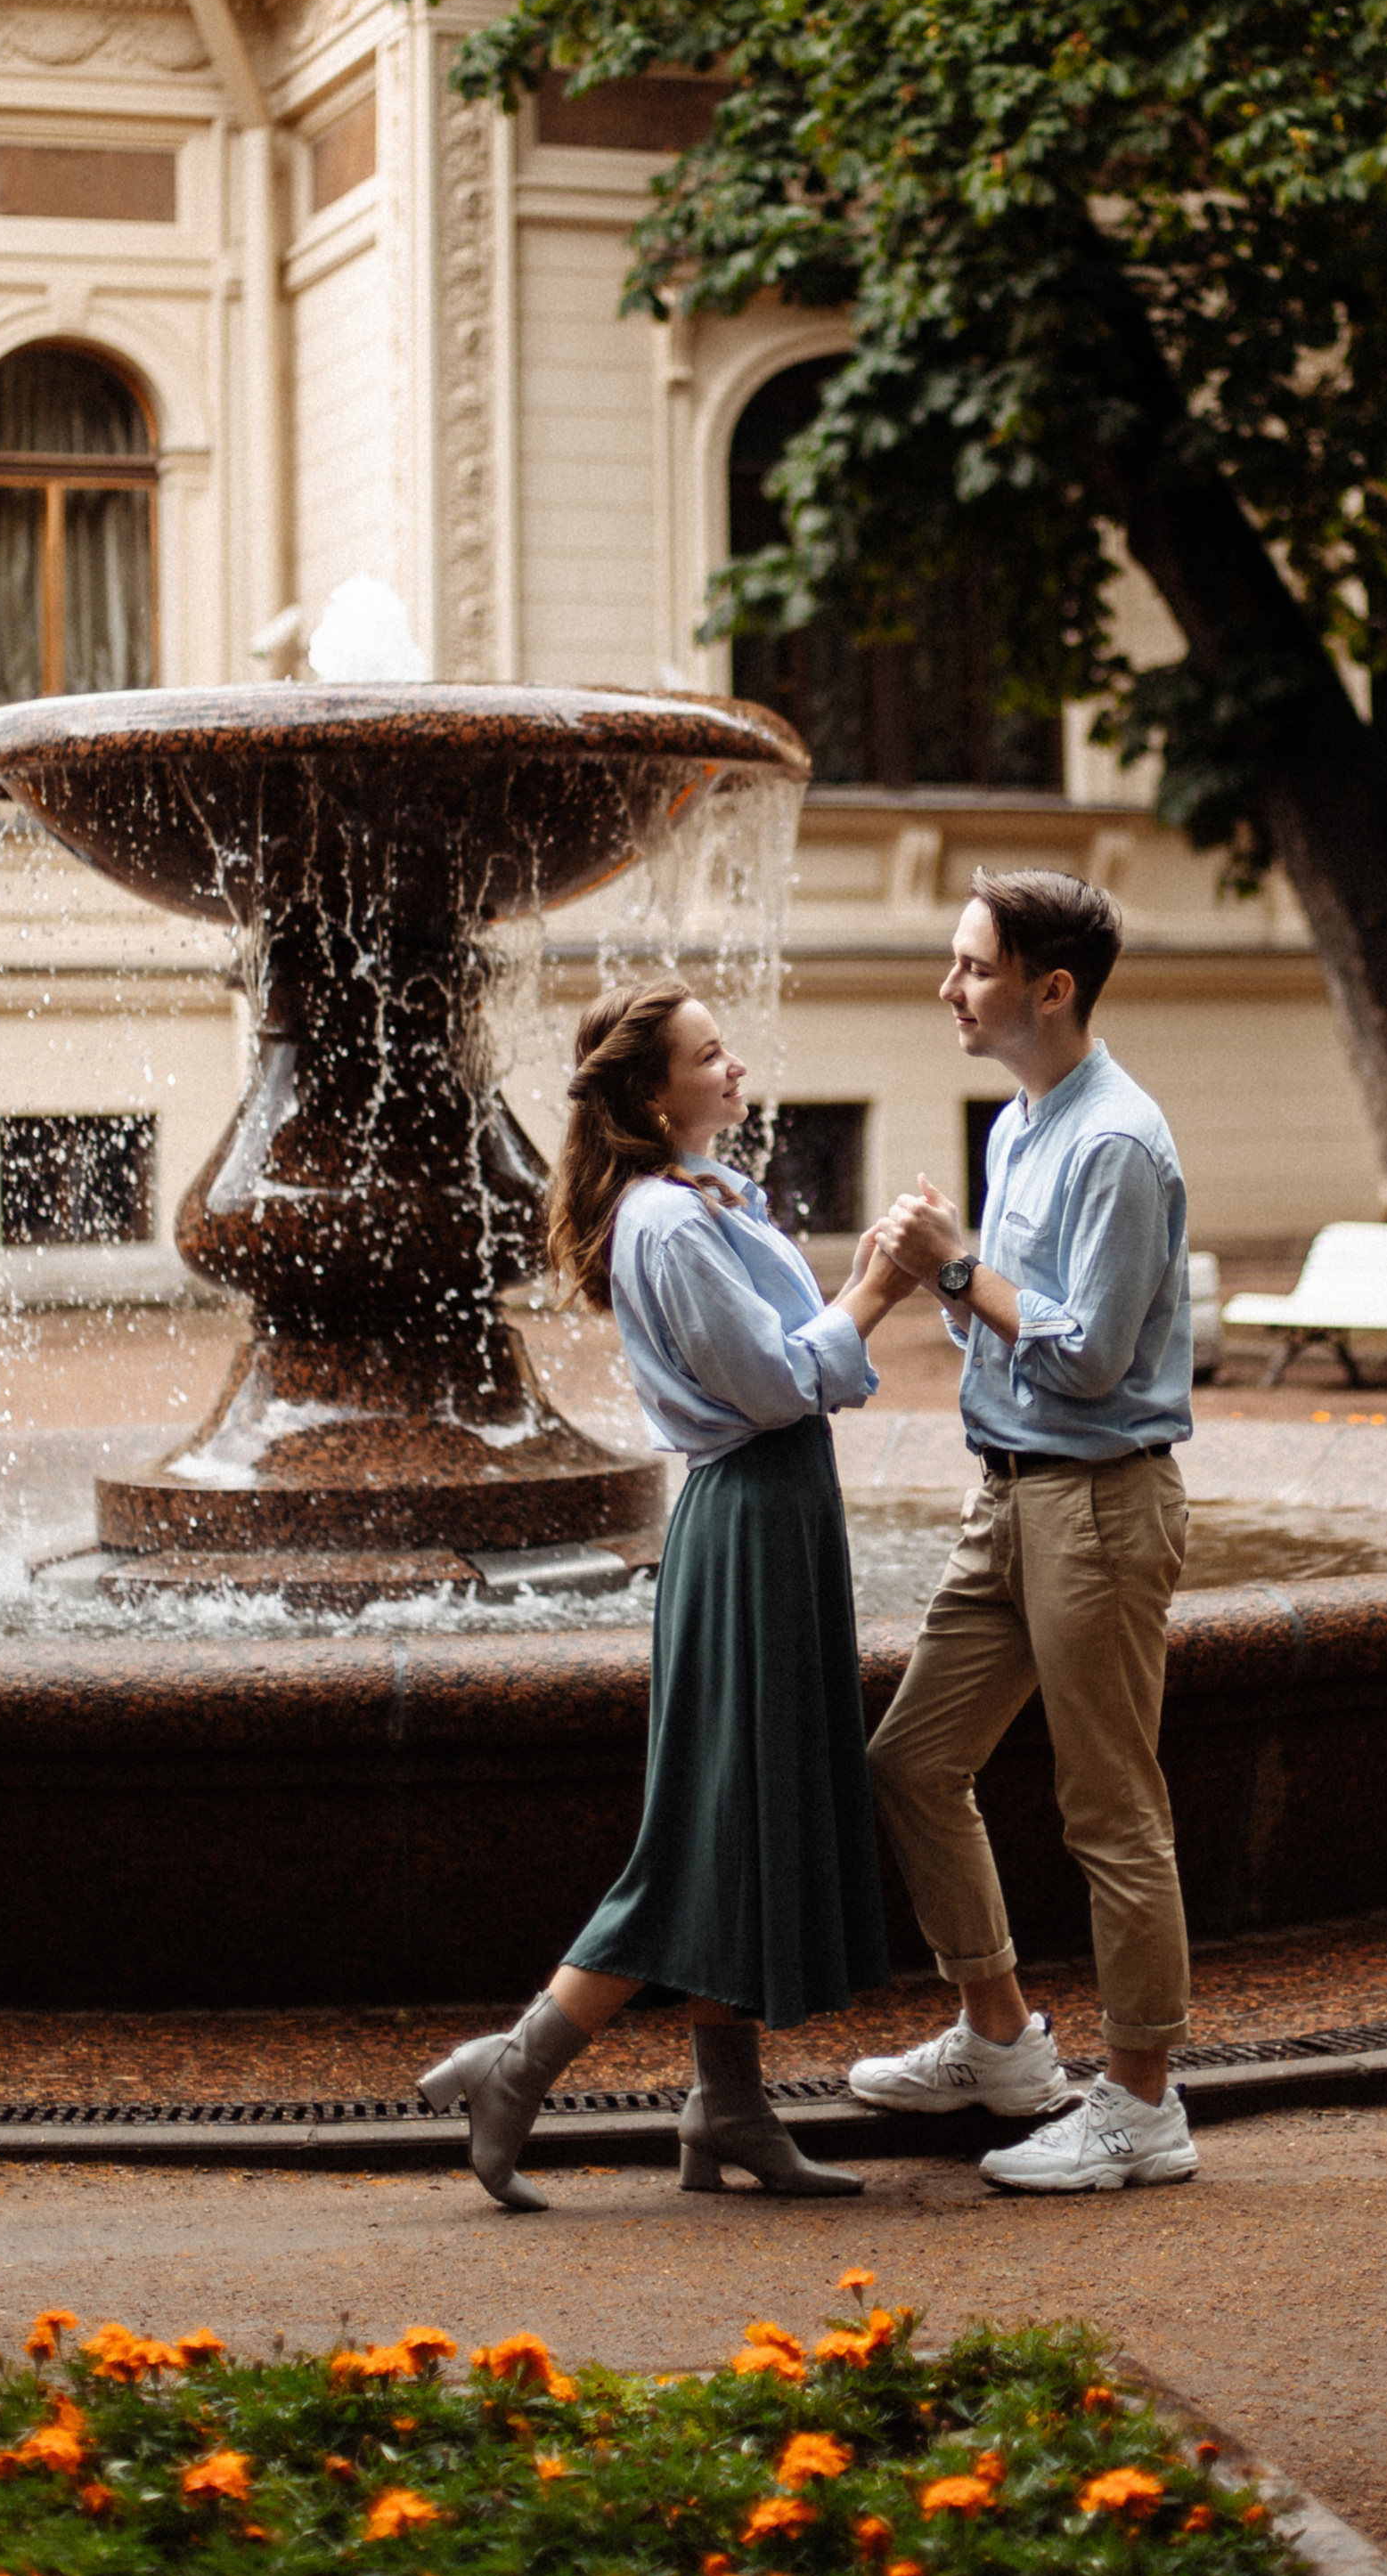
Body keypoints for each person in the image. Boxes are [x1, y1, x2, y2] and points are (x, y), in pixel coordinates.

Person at [418, 975, 912, 2213]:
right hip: (751, 1516)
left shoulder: (701, 1198)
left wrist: (850, 1302)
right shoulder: (670, 1223)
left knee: (741, 1821)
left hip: (776, 1518)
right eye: (710, 1053)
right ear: (652, 1091)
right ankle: (518, 2066)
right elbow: (768, 1385)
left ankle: (729, 2107)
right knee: (707, 1830)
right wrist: (878, 1289)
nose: (735, 1066)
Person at [849, 866, 1199, 2192]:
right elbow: (1008, 1331)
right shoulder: (1020, 1122)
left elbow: (1094, 1361)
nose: (949, 988)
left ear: (1050, 990)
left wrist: (954, 1266)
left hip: (1101, 1502)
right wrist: (955, 1274)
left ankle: (1143, 2106)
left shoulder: (1115, 1140)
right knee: (911, 1760)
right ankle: (1001, 2040)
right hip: (1011, 1493)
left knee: (1113, 1812)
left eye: (973, 968)